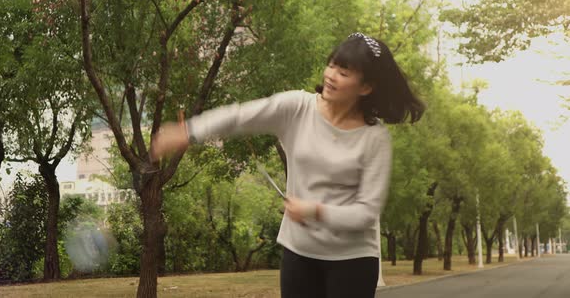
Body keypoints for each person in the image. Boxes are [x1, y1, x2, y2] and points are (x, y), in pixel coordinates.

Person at [150, 32, 425, 298]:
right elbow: (240, 116)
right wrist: (189, 131)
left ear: (366, 87)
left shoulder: (374, 138)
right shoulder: (296, 108)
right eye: (331, 65)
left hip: (352, 260)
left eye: (343, 72)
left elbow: (367, 212)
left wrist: (315, 210)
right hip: (299, 253)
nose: (330, 75)